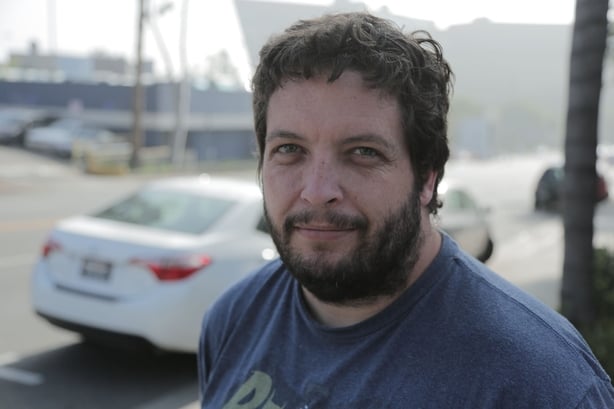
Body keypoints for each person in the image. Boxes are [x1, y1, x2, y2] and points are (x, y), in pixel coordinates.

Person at [197, 11, 614, 408]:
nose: (318, 192)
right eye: (289, 149)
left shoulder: (537, 383)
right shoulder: (234, 318)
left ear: (427, 177)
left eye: (363, 152)